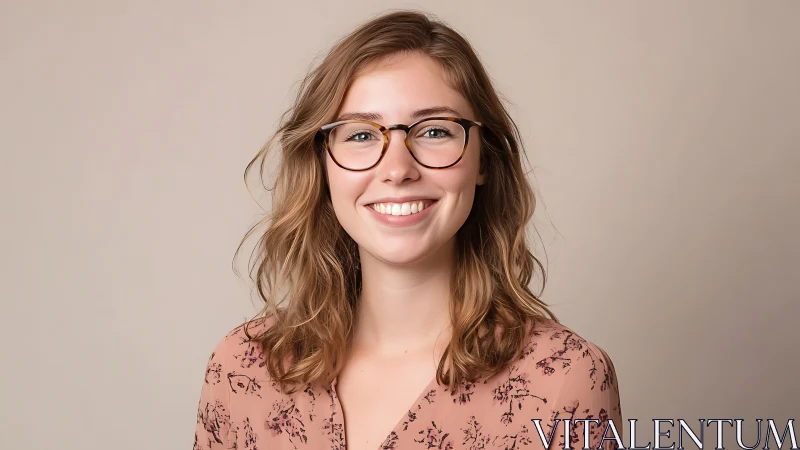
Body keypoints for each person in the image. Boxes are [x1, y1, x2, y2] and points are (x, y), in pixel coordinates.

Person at [194, 10, 622, 450]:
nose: (397, 169)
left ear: (484, 161)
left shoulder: (566, 379)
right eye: (360, 135)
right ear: (322, 166)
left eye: (434, 130)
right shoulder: (242, 370)